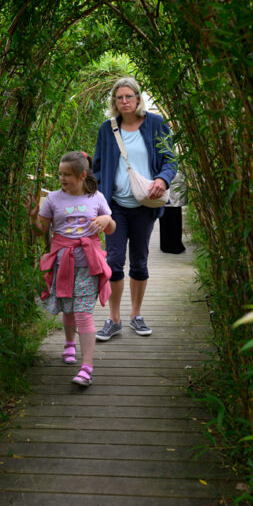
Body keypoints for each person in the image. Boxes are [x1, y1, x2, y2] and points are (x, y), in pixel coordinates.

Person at [91, 77, 176, 341]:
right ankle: (113, 319)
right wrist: (96, 201)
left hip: (145, 205)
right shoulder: (107, 129)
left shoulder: (156, 124)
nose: (124, 101)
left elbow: (170, 160)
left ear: (138, 99)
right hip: (114, 206)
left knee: (139, 260)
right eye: (119, 97)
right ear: (114, 102)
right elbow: (97, 166)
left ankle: (136, 316)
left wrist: (163, 179)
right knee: (114, 260)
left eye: (129, 96)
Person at [30, 151, 115, 387]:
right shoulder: (53, 200)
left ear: (82, 175)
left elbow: (111, 228)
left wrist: (107, 220)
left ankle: (86, 367)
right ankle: (69, 345)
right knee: (68, 306)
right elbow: (40, 231)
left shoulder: (96, 198)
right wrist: (32, 217)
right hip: (62, 262)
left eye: (67, 174)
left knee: (82, 312)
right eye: (60, 174)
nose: (62, 178)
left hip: (88, 264)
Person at [159, 169, 187, 253]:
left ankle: (167, 244)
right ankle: (171, 245)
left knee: (172, 212)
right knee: (172, 212)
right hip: (167, 179)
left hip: (169, 178)